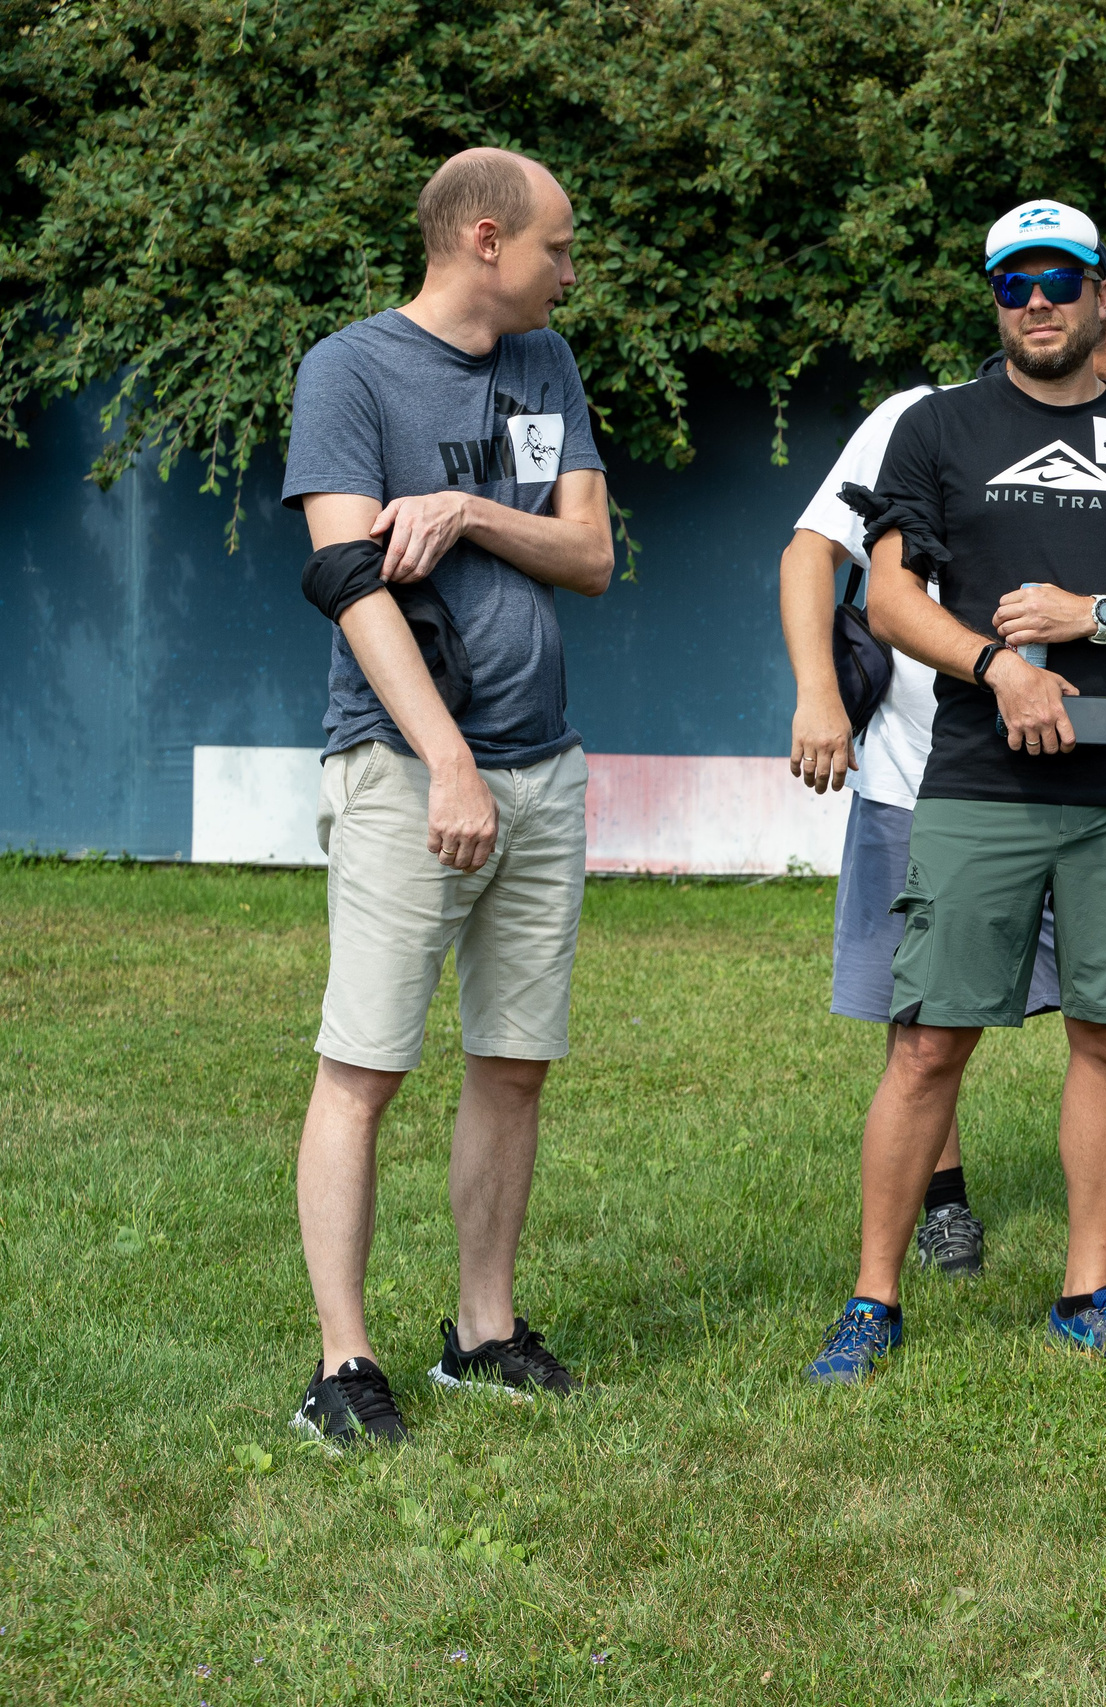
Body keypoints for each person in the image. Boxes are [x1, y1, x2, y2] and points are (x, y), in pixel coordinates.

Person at [800, 199, 1106, 1384]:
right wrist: (1000, 667)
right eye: (1014, 284)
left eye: (1059, 280)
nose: (1037, 301)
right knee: (928, 1045)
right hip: (977, 781)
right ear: (993, 300)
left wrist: (1092, 614)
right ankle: (872, 1303)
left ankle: (1087, 1293)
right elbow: (886, 600)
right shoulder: (937, 431)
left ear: (1103, 292)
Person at [281, 148, 613, 1446]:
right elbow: (348, 581)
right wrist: (449, 759)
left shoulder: (549, 362)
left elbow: (588, 551)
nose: (570, 271)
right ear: (485, 239)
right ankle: (343, 1362)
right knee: (364, 1063)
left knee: (513, 1062)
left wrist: (470, 507)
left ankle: (483, 1329)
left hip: (548, 763)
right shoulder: (348, 370)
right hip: (405, 773)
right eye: (558, 248)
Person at [779, 287, 1106, 1281]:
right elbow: (814, 552)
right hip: (924, 774)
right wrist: (820, 695)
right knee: (924, 1025)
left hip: (1082, 780)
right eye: (1095, 375)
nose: (1097, 404)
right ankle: (940, 1207)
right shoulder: (923, 423)